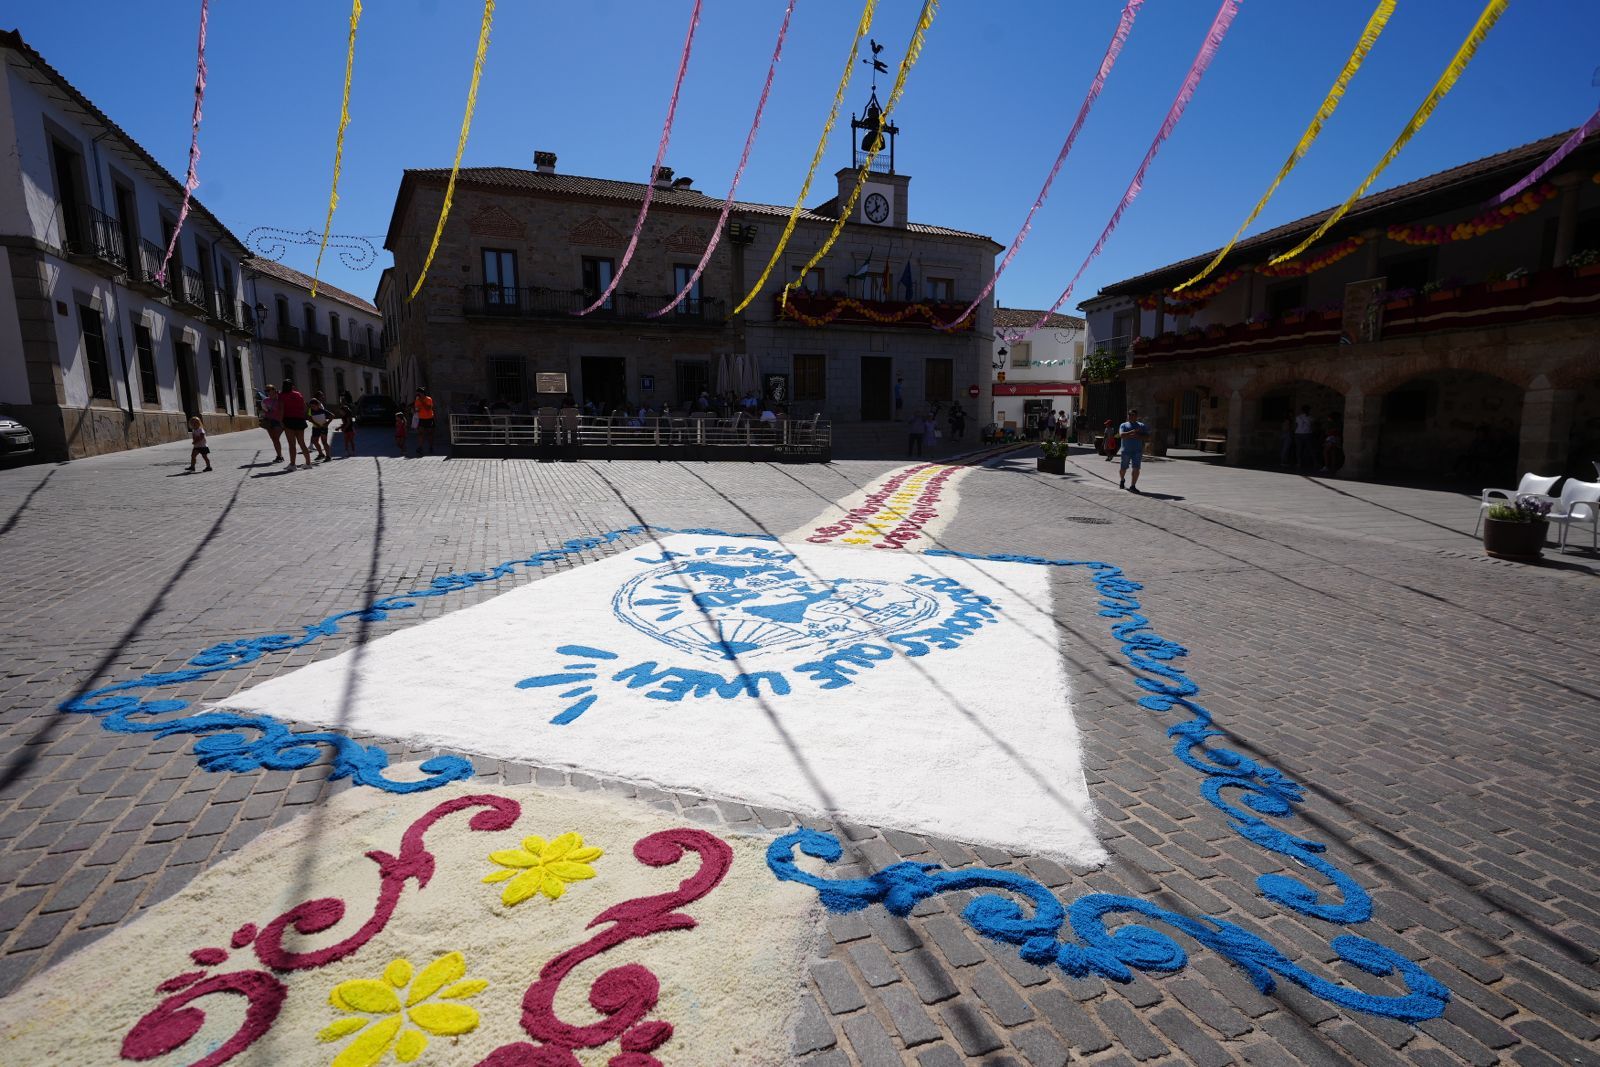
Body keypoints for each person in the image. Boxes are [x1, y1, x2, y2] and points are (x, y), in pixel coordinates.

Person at [1117, 408, 1151, 492]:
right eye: (1129, 415)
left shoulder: (1141, 426)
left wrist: (1138, 436)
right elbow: (1121, 435)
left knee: (1136, 468)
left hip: (1137, 451)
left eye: (1133, 415)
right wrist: (1131, 432)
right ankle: (1122, 480)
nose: (1131, 416)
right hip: (1126, 450)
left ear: (1136, 416)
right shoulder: (1123, 425)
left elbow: (1147, 436)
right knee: (1123, 468)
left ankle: (1133, 486)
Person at [280, 378, 309, 470]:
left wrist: (281, 421)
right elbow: (305, 407)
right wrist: (302, 416)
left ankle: (293, 465)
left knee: (292, 444)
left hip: (288, 420)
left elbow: (281, 409)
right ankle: (308, 463)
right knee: (302, 443)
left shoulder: (282, 395)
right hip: (300, 420)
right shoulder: (298, 394)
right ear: (292, 386)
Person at [258, 383, 284, 461]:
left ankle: (280, 456)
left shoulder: (280, 399)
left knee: (276, 438)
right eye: (266, 390)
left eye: (269, 390)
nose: (267, 392)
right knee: (274, 439)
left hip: (279, 421)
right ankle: (279, 456)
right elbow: (264, 410)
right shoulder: (265, 401)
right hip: (269, 422)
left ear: (274, 390)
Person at [308, 398, 333, 462]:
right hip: (315, 428)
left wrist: (327, 423)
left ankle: (328, 456)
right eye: (311, 406)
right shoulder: (310, 410)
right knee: (314, 441)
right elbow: (309, 418)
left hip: (323, 427)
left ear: (318, 405)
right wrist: (316, 424)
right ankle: (321, 454)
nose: (312, 407)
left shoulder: (322, 410)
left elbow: (332, 415)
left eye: (313, 406)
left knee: (324, 442)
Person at [414, 387, 436, 455]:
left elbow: (428, 408)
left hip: (429, 418)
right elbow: (417, 409)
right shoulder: (417, 400)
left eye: (418, 393)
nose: (417, 395)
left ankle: (431, 446)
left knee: (430, 434)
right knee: (420, 433)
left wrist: (422, 401)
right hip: (422, 418)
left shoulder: (428, 399)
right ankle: (420, 447)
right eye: (417, 393)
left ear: (422, 393)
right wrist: (416, 410)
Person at [1294, 405, 1316, 471]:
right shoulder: (1311, 418)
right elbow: (1313, 426)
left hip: (1298, 434)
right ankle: (1315, 463)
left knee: (1299, 449)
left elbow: (1296, 425)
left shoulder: (1298, 417)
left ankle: (1299, 463)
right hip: (1307, 434)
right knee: (1310, 449)